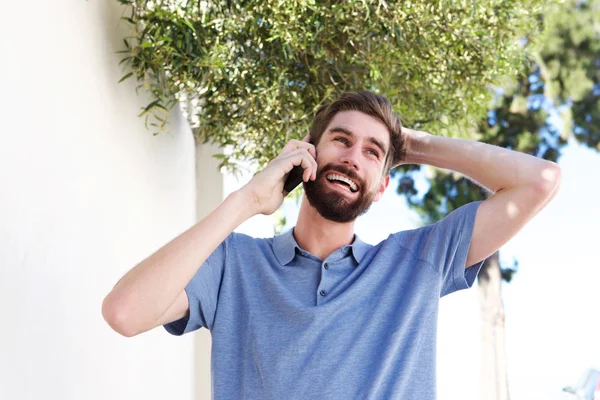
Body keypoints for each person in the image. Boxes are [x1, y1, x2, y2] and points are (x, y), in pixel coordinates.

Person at [102, 91, 561, 399]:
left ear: (382, 186)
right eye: (340, 140)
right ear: (307, 154)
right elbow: (125, 312)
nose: (351, 156)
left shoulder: (417, 262)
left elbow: (541, 181)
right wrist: (244, 201)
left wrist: (410, 144)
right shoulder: (232, 265)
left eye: (371, 152)